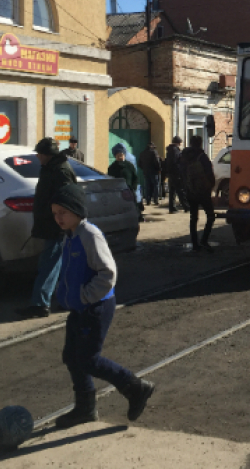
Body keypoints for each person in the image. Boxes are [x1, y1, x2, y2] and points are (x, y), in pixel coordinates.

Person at [48, 184, 155, 428]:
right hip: (79, 308)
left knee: (88, 359)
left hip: (96, 307)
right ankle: (85, 407)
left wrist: (85, 296)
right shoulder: (70, 235)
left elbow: (108, 273)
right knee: (72, 357)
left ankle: (135, 387)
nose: (58, 218)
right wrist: (63, 295)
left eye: (62, 212)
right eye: (55, 213)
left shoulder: (89, 235)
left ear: (76, 209)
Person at [16, 138, 77, 319]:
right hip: (53, 224)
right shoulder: (52, 168)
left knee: (50, 263)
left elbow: (67, 199)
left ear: (47, 155)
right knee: (55, 263)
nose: (38, 157)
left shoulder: (60, 171)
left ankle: (40, 304)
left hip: (56, 225)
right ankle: (63, 299)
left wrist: (60, 221)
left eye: (40, 154)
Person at [178, 135, 216, 252]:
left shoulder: (184, 157)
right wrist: (210, 186)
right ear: (200, 143)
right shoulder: (202, 157)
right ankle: (204, 240)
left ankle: (195, 244)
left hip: (190, 191)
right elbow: (209, 174)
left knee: (193, 218)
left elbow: (181, 173)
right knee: (210, 216)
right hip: (203, 191)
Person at [108, 144, 141, 221]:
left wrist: (133, 188)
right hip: (117, 192)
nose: (120, 157)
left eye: (121, 155)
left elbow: (135, 178)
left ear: (124, 155)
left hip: (129, 191)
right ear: (115, 156)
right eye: (118, 155)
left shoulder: (129, 166)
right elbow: (110, 180)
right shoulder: (112, 168)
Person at [165, 136, 189, 214]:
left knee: (172, 192)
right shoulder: (175, 151)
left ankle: (172, 208)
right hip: (176, 174)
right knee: (180, 191)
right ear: (178, 143)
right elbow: (177, 163)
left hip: (171, 174)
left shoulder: (169, 150)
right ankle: (186, 207)